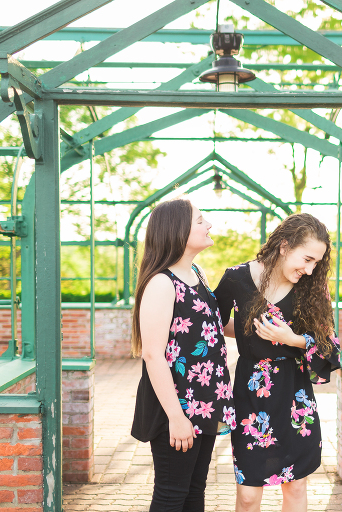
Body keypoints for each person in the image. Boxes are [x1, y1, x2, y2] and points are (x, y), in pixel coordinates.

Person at [214, 213, 341, 512]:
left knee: (295, 486)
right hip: (250, 395)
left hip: (295, 397)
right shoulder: (235, 278)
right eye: (307, 259)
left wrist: (291, 339)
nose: (310, 270)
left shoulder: (313, 287)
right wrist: (248, 332)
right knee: (248, 494)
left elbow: (330, 346)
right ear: (284, 246)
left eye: (316, 263)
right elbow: (211, 325)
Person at [130, 197, 235, 512]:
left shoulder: (197, 273)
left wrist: (271, 329)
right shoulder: (162, 283)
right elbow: (152, 355)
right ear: (177, 231)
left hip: (205, 403)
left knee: (194, 491)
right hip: (176, 408)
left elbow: (213, 325)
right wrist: (177, 418)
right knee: (171, 494)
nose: (209, 225)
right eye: (200, 220)